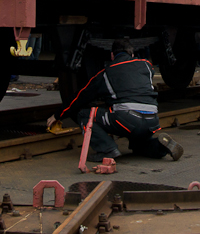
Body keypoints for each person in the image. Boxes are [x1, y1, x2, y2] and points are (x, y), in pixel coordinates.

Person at [48, 39, 183, 162]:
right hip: (152, 120)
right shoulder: (147, 66)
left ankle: (107, 149)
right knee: (137, 144)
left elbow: (81, 97)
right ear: (132, 54)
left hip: (127, 119)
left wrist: (58, 114)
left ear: (112, 56)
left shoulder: (107, 73)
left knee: (85, 115)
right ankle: (160, 147)